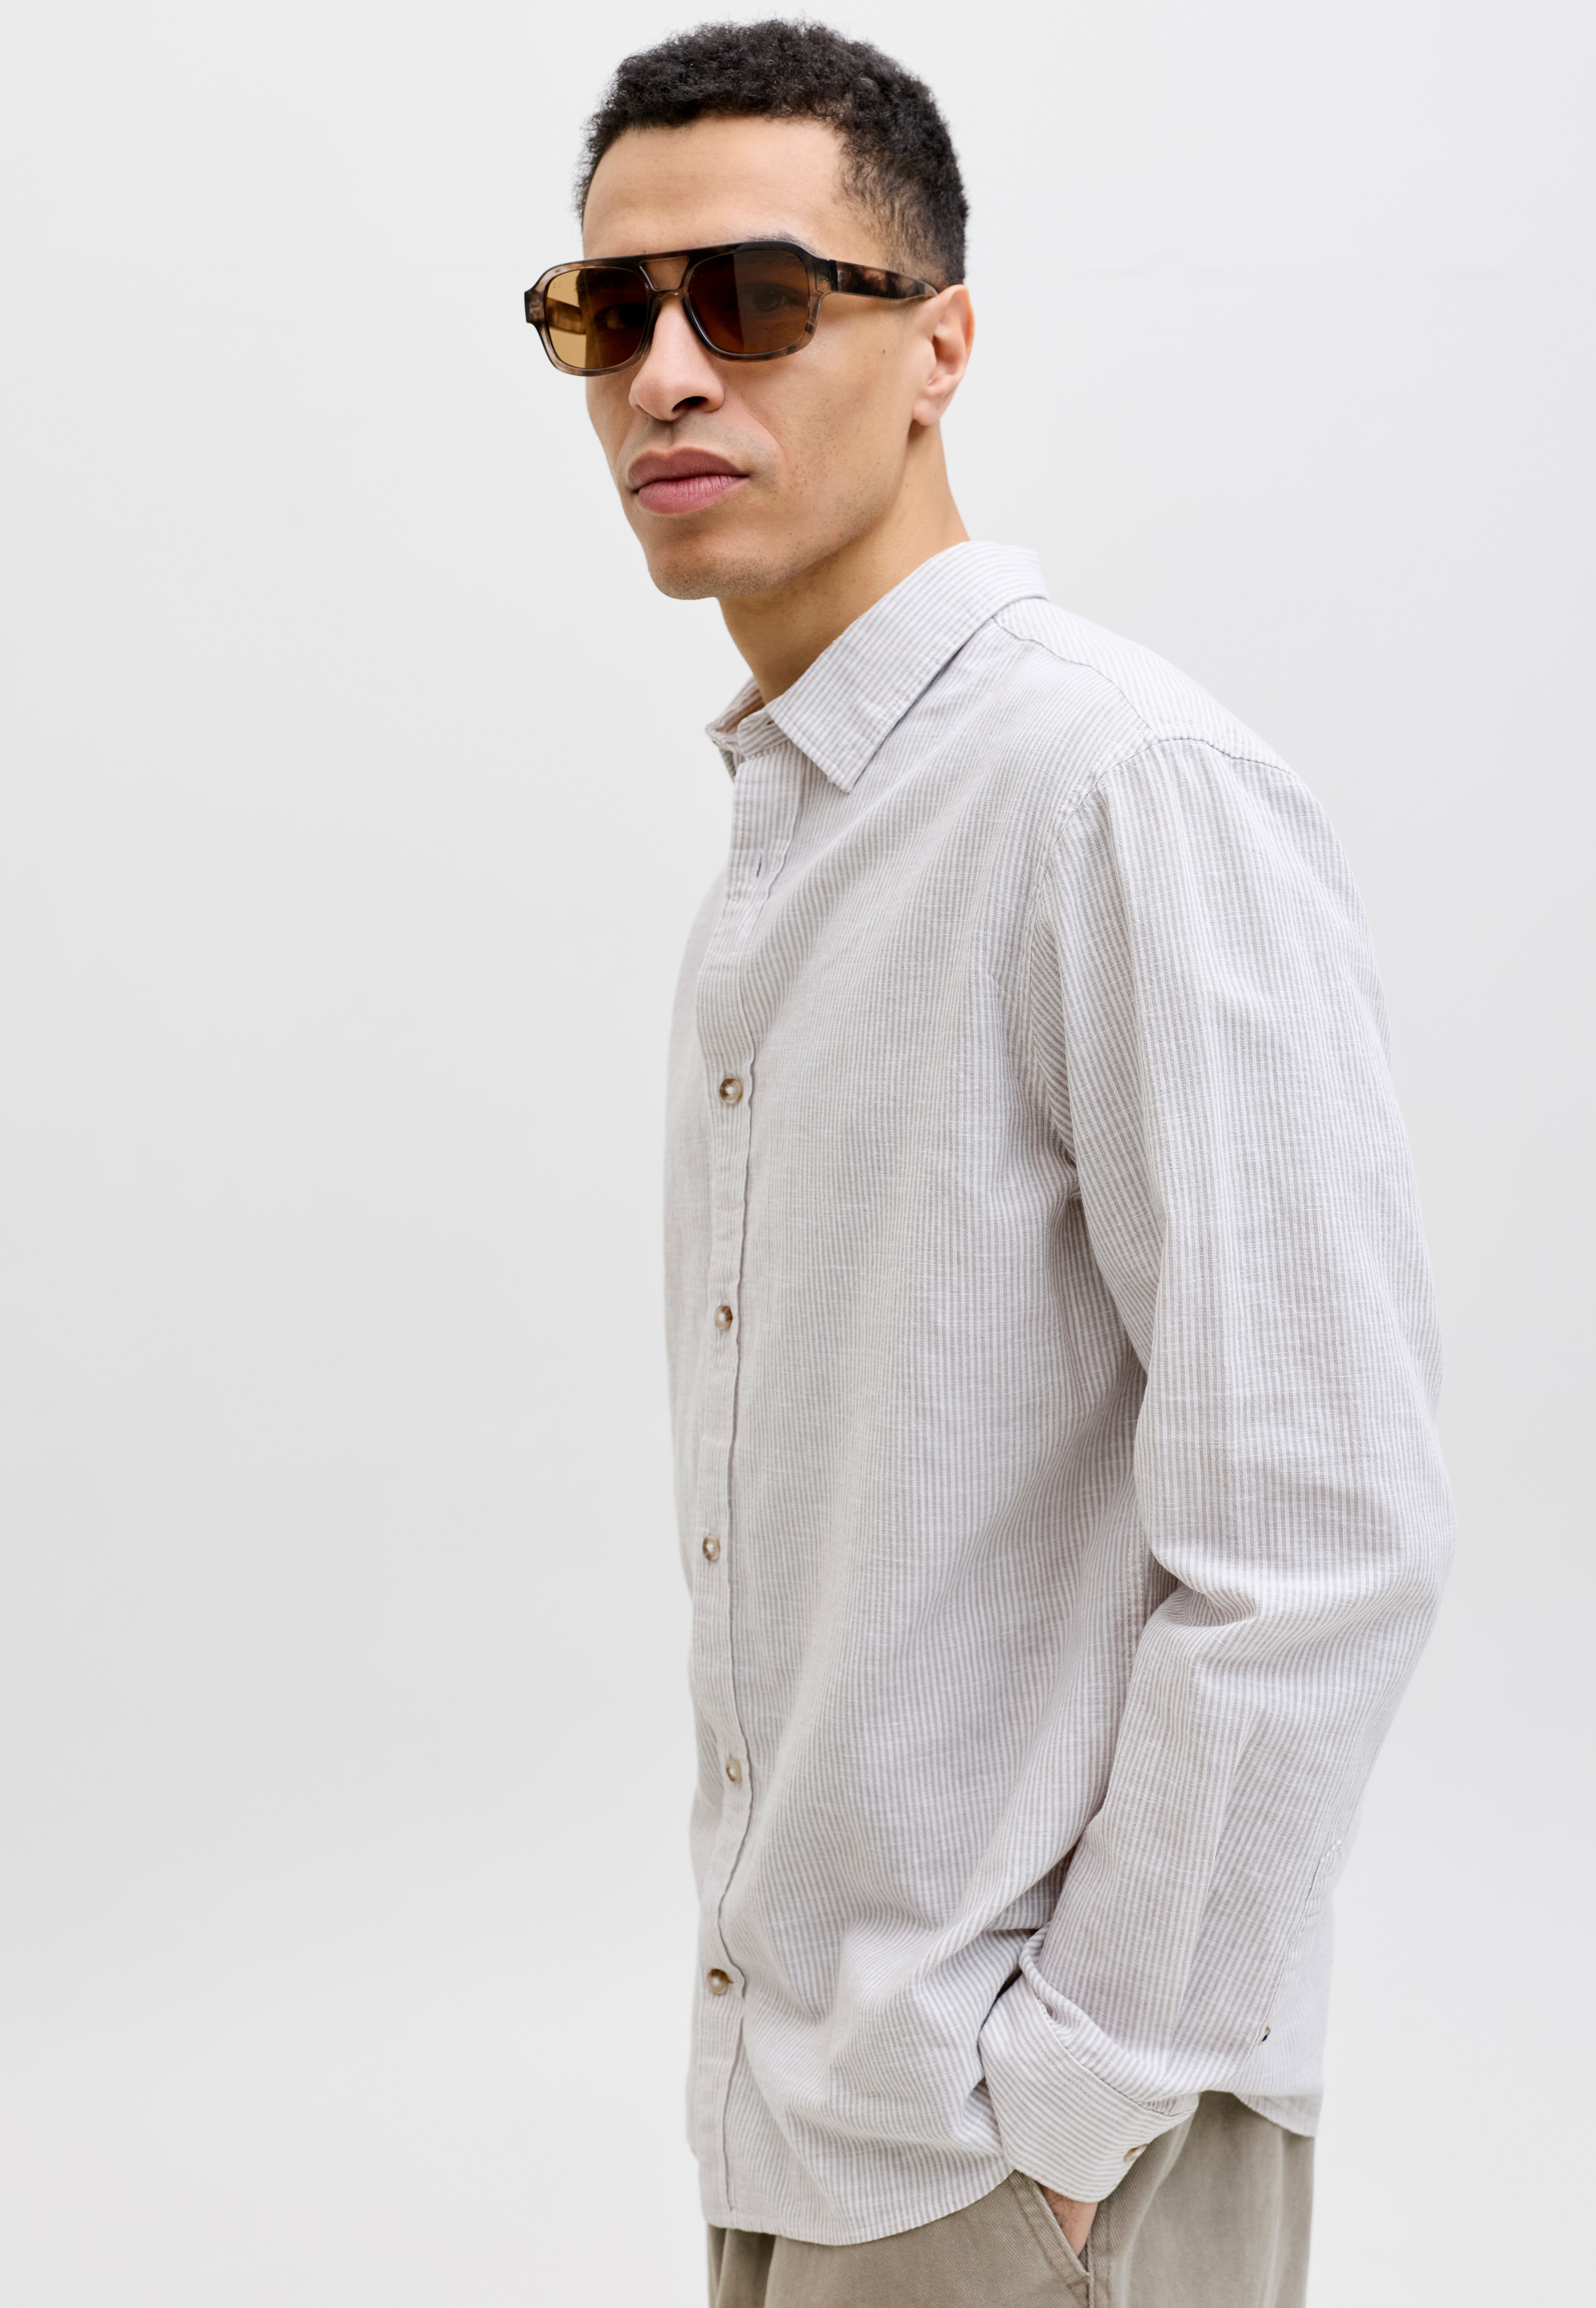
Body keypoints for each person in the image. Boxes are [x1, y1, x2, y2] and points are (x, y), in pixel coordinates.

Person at [523, 21, 1454, 2306]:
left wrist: (1071, 2109)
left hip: (1021, 2162)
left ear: (940, 343)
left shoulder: (1115, 794)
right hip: (814, 2124)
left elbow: (1325, 1531)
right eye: (606, 312)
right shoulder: (789, 856)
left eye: (754, 300)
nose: (665, 372)